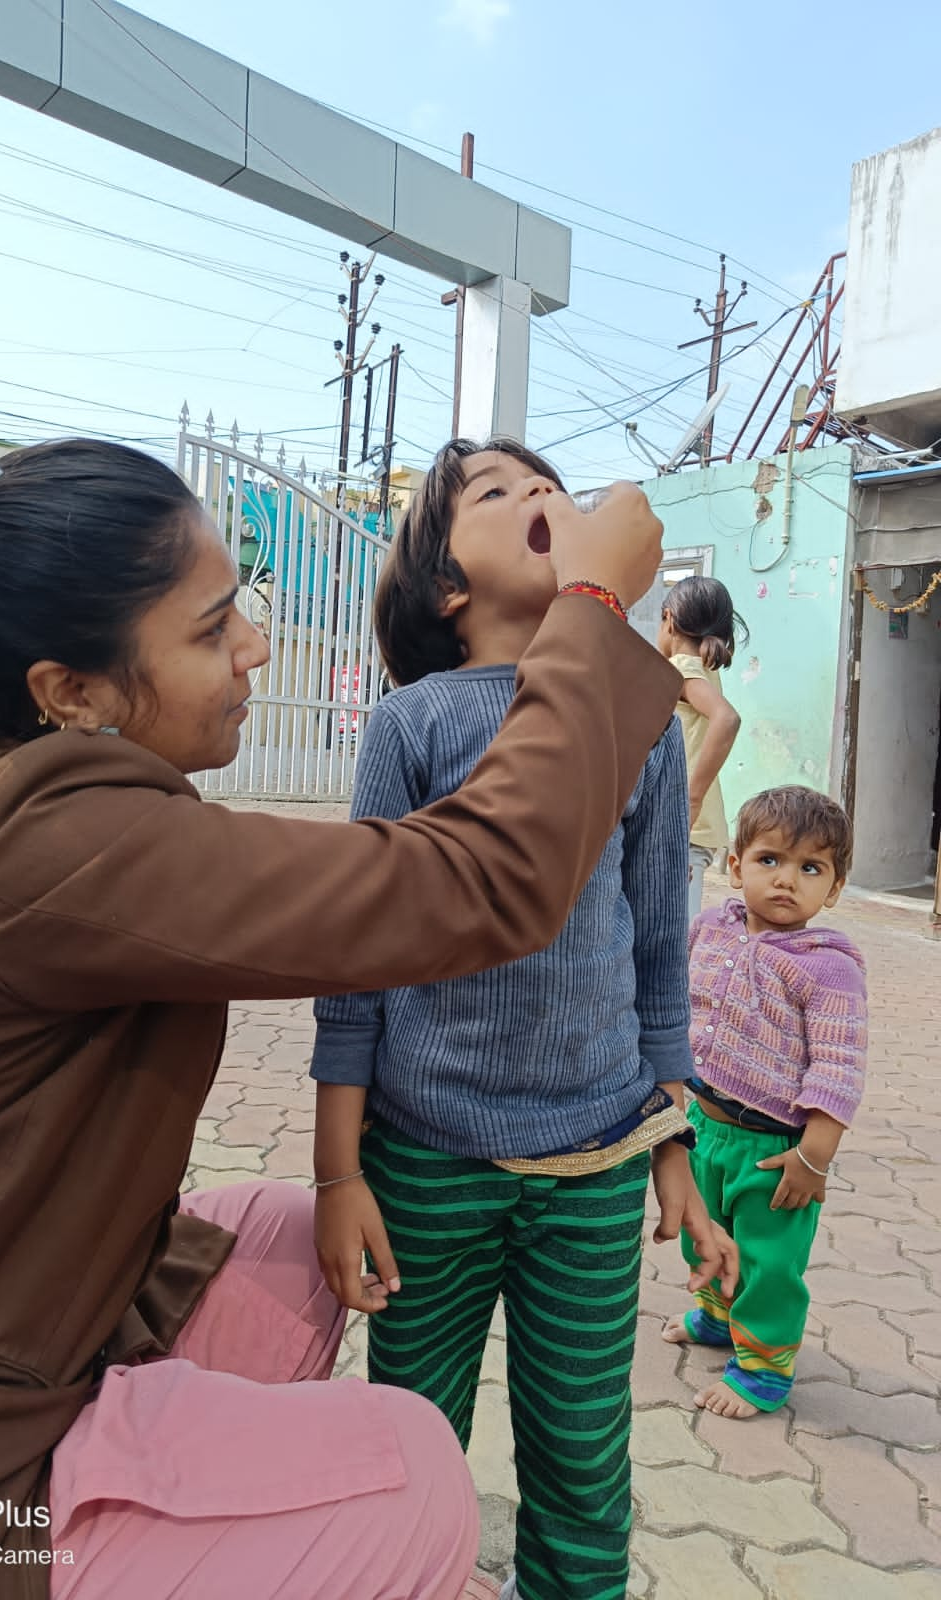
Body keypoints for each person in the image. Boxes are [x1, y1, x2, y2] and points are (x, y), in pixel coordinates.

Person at [0, 406, 679, 1600]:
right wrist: (595, 615)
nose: (255, 648)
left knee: (281, 1241)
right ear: (70, 688)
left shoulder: (36, 786)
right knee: (415, 1475)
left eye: (241, 604)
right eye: (209, 627)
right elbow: (473, 884)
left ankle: (152, 1481)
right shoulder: (49, 839)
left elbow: (588, 915)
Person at [310, 438, 739, 1600]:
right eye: (496, 493)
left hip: (597, 1160)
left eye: (546, 479)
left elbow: (660, 947)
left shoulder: (640, 724)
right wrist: (337, 1173)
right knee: (403, 1447)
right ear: (447, 588)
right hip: (425, 1157)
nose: (539, 494)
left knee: (584, 1464)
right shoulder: (413, 726)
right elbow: (353, 965)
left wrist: (675, 1152)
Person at [662, 785, 867, 1419]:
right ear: (735, 865)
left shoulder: (827, 967)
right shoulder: (709, 930)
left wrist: (815, 1159)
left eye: (811, 869)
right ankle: (721, 1316)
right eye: (770, 860)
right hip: (702, 1126)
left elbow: (840, 1068)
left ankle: (764, 1369)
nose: (787, 880)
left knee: (770, 1261)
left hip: (777, 1150)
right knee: (706, 1237)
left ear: (832, 889)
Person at [656, 575, 746, 917]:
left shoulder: (682, 668)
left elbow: (727, 719)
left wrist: (690, 799)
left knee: (676, 932)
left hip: (684, 821)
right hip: (690, 821)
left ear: (670, 620)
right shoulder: (705, 668)